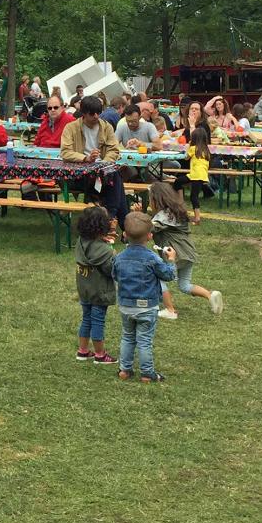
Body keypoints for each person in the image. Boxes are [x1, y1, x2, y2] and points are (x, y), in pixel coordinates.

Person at [113, 211, 176, 384]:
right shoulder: (153, 258)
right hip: (147, 307)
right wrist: (170, 260)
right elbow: (168, 276)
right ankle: (147, 374)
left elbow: (115, 275)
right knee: (145, 340)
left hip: (126, 305)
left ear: (125, 235)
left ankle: (124, 370)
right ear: (149, 236)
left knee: (127, 336)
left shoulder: (119, 258)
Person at [148, 182, 223, 318]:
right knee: (184, 284)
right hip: (188, 254)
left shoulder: (164, 216)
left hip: (176, 255)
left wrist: (136, 215)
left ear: (156, 199)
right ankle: (210, 295)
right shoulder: (176, 212)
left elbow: (146, 228)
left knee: (159, 279)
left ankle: (170, 310)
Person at [60, 95, 128, 225]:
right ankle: (116, 220)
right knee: (116, 177)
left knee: (113, 174)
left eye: (99, 112)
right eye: (92, 113)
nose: (96, 116)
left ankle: (111, 217)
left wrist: (104, 163)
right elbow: (65, 152)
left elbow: (114, 150)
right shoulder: (71, 128)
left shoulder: (106, 127)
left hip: (102, 172)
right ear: (84, 113)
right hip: (79, 174)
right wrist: (86, 158)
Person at [74, 205, 118, 365]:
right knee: (98, 321)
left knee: (86, 318)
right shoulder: (106, 251)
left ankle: (83, 351)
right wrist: (111, 249)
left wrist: (100, 240)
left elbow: (93, 247)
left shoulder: (81, 241)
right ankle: (100, 354)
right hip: (99, 292)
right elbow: (112, 270)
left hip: (84, 289)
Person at [182, 123, 213, 225]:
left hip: (195, 175)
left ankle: (197, 218)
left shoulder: (193, 148)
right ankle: (195, 216)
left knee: (193, 196)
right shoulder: (206, 149)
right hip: (202, 175)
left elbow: (186, 157)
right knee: (179, 183)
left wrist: (188, 146)